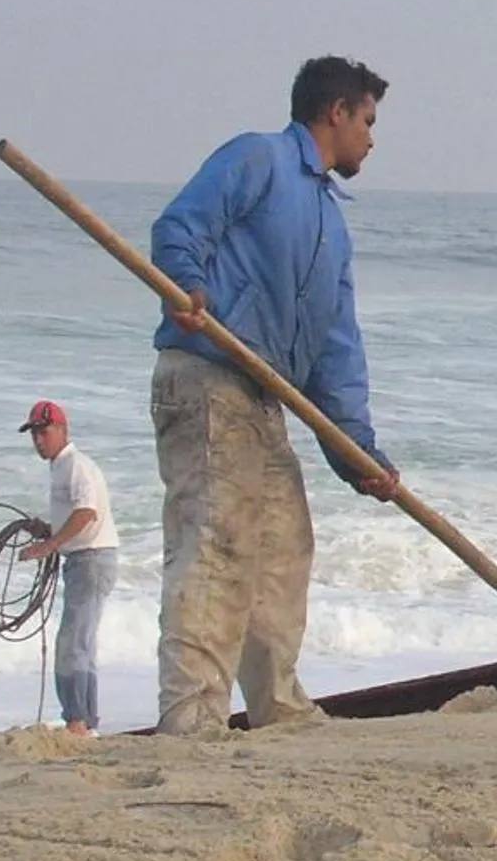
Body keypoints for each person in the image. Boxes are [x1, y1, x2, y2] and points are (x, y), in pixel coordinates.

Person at [145, 55, 400, 735]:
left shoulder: (330, 225)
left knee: (284, 547)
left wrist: (359, 454)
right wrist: (186, 285)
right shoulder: (258, 158)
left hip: (263, 395)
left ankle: (277, 708)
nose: (372, 139)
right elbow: (180, 227)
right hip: (205, 375)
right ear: (336, 112)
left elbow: (335, 349)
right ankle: (191, 715)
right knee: (217, 541)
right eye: (368, 121)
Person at [16, 399, 119, 735]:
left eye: (43, 432)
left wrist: (50, 545)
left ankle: (77, 721)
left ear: (62, 430)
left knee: (72, 643)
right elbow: (77, 515)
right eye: (34, 434)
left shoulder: (76, 466)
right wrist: (48, 530)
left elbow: (86, 512)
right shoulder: (61, 467)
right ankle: (85, 721)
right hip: (85, 558)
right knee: (81, 643)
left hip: (91, 558)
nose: (38, 440)